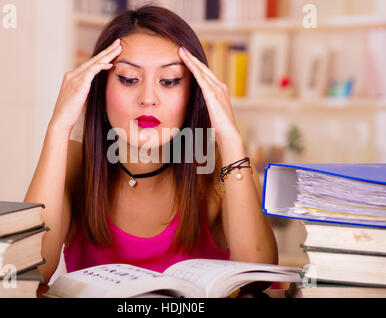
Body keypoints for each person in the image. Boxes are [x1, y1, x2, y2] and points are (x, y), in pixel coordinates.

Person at [24, 5, 278, 284]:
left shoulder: (222, 167)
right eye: (128, 79)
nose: (148, 98)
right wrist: (58, 127)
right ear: (100, 87)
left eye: (169, 81)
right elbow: (30, 272)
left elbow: (259, 278)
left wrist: (229, 136)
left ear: (193, 92)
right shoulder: (74, 163)